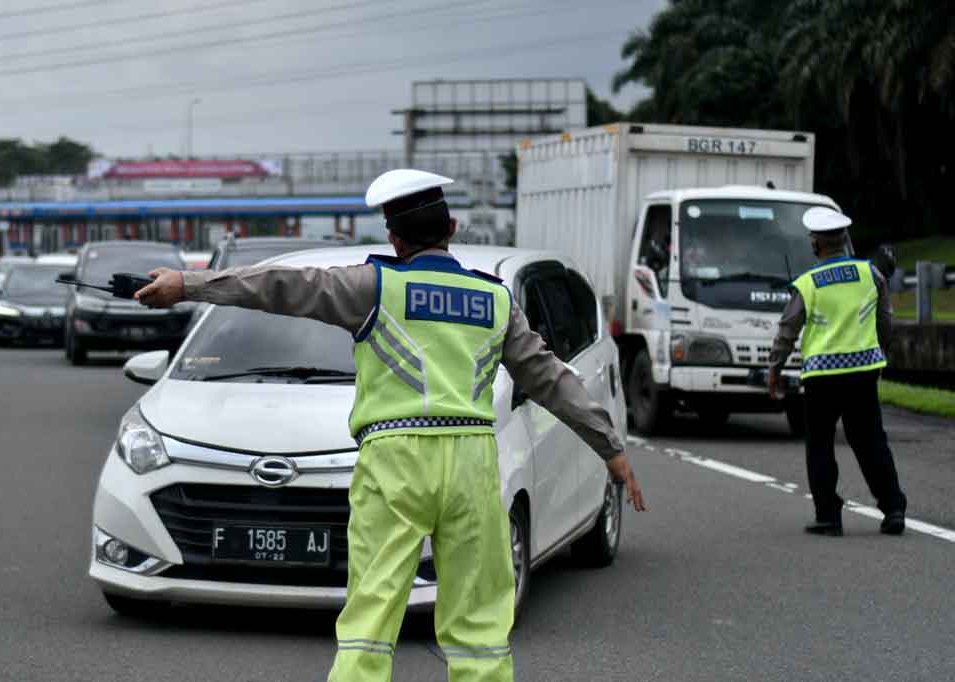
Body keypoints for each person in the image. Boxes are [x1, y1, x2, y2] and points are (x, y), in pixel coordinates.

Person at [135, 169, 645, 682]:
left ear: (393, 237)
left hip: (395, 459)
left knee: (371, 618)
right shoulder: (495, 300)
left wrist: (187, 284)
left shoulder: (373, 286)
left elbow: (279, 287)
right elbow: (552, 378)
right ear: (452, 228)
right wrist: (610, 448)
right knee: (480, 624)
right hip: (472, 460)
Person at [768, 206, 906, 537]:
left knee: (820, 444)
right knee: (872, 441)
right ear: (845, 240)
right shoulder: (871, 274)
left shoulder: (808, 284)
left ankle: (828, 516)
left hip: (821, 377)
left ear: (815, 244)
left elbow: (788, 329)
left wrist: (775, 368)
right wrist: (882, 353)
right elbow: (885, 320)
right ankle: (893, 508)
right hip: (863, 372)